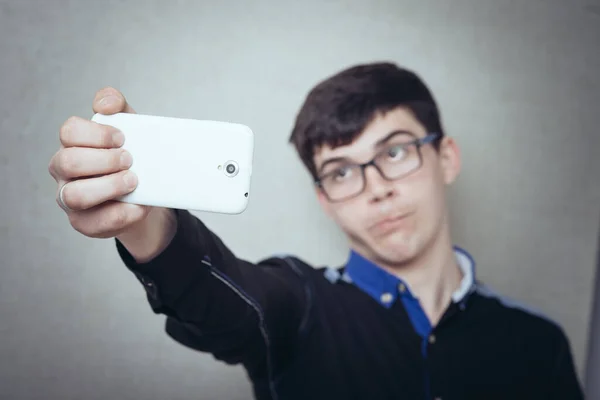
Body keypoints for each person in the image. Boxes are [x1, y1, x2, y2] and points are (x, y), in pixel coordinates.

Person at [49, 62, 584, 400]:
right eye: (343, 171)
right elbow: (223, 299)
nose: (376, 188)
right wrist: (148, 224)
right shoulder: (298, 306)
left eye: (395, 151)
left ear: (446, 157)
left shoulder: (540, 345)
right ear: (324, 199)